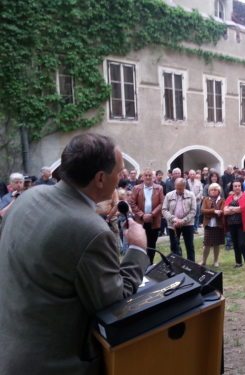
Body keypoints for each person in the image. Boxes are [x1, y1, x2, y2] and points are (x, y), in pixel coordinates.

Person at [0, 133, 149, 375]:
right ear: (100, 178)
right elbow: (114, 304)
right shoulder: (91, 231)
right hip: (54, 365)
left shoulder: (28, 198)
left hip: (12, 352)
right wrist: (137, 249)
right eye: (120, 171)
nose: (122, 177)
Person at [130, 168, 165, 264]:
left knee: (152, 244)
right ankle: (141, 264)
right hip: (141, 221)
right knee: (141, 244)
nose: (148, 177)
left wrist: (152, 214)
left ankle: (150, 264)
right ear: (143, 177)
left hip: (154, 221)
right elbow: (132, 203)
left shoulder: (159, 188)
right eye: (146, 175)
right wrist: (142, 215)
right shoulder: (136, 188)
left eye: (150, 175)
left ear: (153, 177)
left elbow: (162, 203)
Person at [224, 178, 245, 271]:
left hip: (242, 224)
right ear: (232, 187)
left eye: (239, 186)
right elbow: (225, 211)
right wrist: (235, 209)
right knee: (235, 243)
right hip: (232, 224)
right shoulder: (229, 197)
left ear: (241, 187)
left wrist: (231, 208)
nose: (237, 187)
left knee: (242, 243)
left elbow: (242, 208)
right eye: (235, 186)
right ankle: (238, 262)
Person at [162, 178, 197, 262]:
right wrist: (173, 219)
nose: (178, 190)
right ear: (174, 186)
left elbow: (193, 211)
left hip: (188, 224)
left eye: (180, 188)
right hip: (173, 225)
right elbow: (164, 210)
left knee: (189, 246)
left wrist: (183, 221)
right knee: (174, 246)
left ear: (184, 186)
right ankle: (176, 265)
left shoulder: (191, 195)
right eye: (177, 188)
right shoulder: (169, 195)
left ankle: (191, 265)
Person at [200, 183, 225, 267]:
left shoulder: (222, 200)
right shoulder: (206, 199)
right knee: (206, 244)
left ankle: (216, 261)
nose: (213, 191)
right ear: (209, 191)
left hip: (218, 225)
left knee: (216, 244)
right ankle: (203, 261)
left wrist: (210, 212)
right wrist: (214, 211)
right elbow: (203, 211)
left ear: (219, 191)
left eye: (215, 190)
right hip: (208, 225)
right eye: (211, 190)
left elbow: (221, 211)